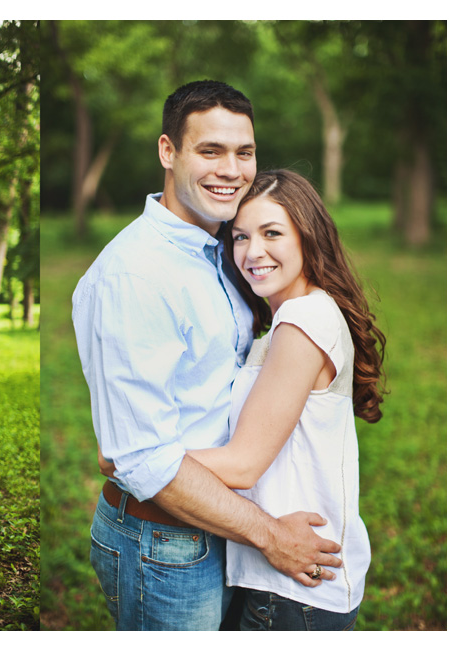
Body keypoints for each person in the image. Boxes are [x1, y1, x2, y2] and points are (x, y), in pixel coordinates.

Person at [72, 80, 342, 631]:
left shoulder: (223, 246)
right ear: (168, 152)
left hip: (223, 526)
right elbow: (141, 460)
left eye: (244, 152)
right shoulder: (137, 275)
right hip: (165, 543)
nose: (232, 169)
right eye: (210, 151)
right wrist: (270, 534)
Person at [184, 169, 386, 630]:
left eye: (271, 233)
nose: (252, 252)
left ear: (307, 237)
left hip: (293, 595)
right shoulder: (294, 316)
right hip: (283, 582)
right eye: (239, 237)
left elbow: (242, 464)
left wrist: (137, 455)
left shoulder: (301, 320)